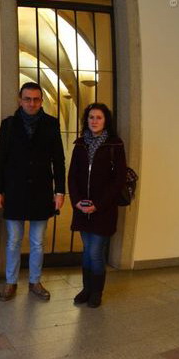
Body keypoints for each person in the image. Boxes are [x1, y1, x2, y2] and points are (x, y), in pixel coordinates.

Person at [0, 82, 65, 302]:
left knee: (37, 242)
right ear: (20, 100)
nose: (32, 103)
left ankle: (35, 281)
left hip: (41, 191)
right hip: (14, 190)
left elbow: (59, 160)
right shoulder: (8, 124)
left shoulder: (51, 124)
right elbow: (0, 160)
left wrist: (60, 191)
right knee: (14, 240)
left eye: (36, 99)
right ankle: (11, 282)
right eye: (27, 99)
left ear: (41, 101)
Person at [68, 103, 126, 308]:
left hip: (104, 209)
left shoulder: (115, 145)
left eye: (99, 117)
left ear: (106, 120)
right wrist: (77, 201)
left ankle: (96, 292)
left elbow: (118, 180)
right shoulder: (80, 144)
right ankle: (86, 289)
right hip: (82, 208)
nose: (94, 121)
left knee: (95, 252)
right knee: (86, 250)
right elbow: (72, 175)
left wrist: (98, 205)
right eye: (91, 117)